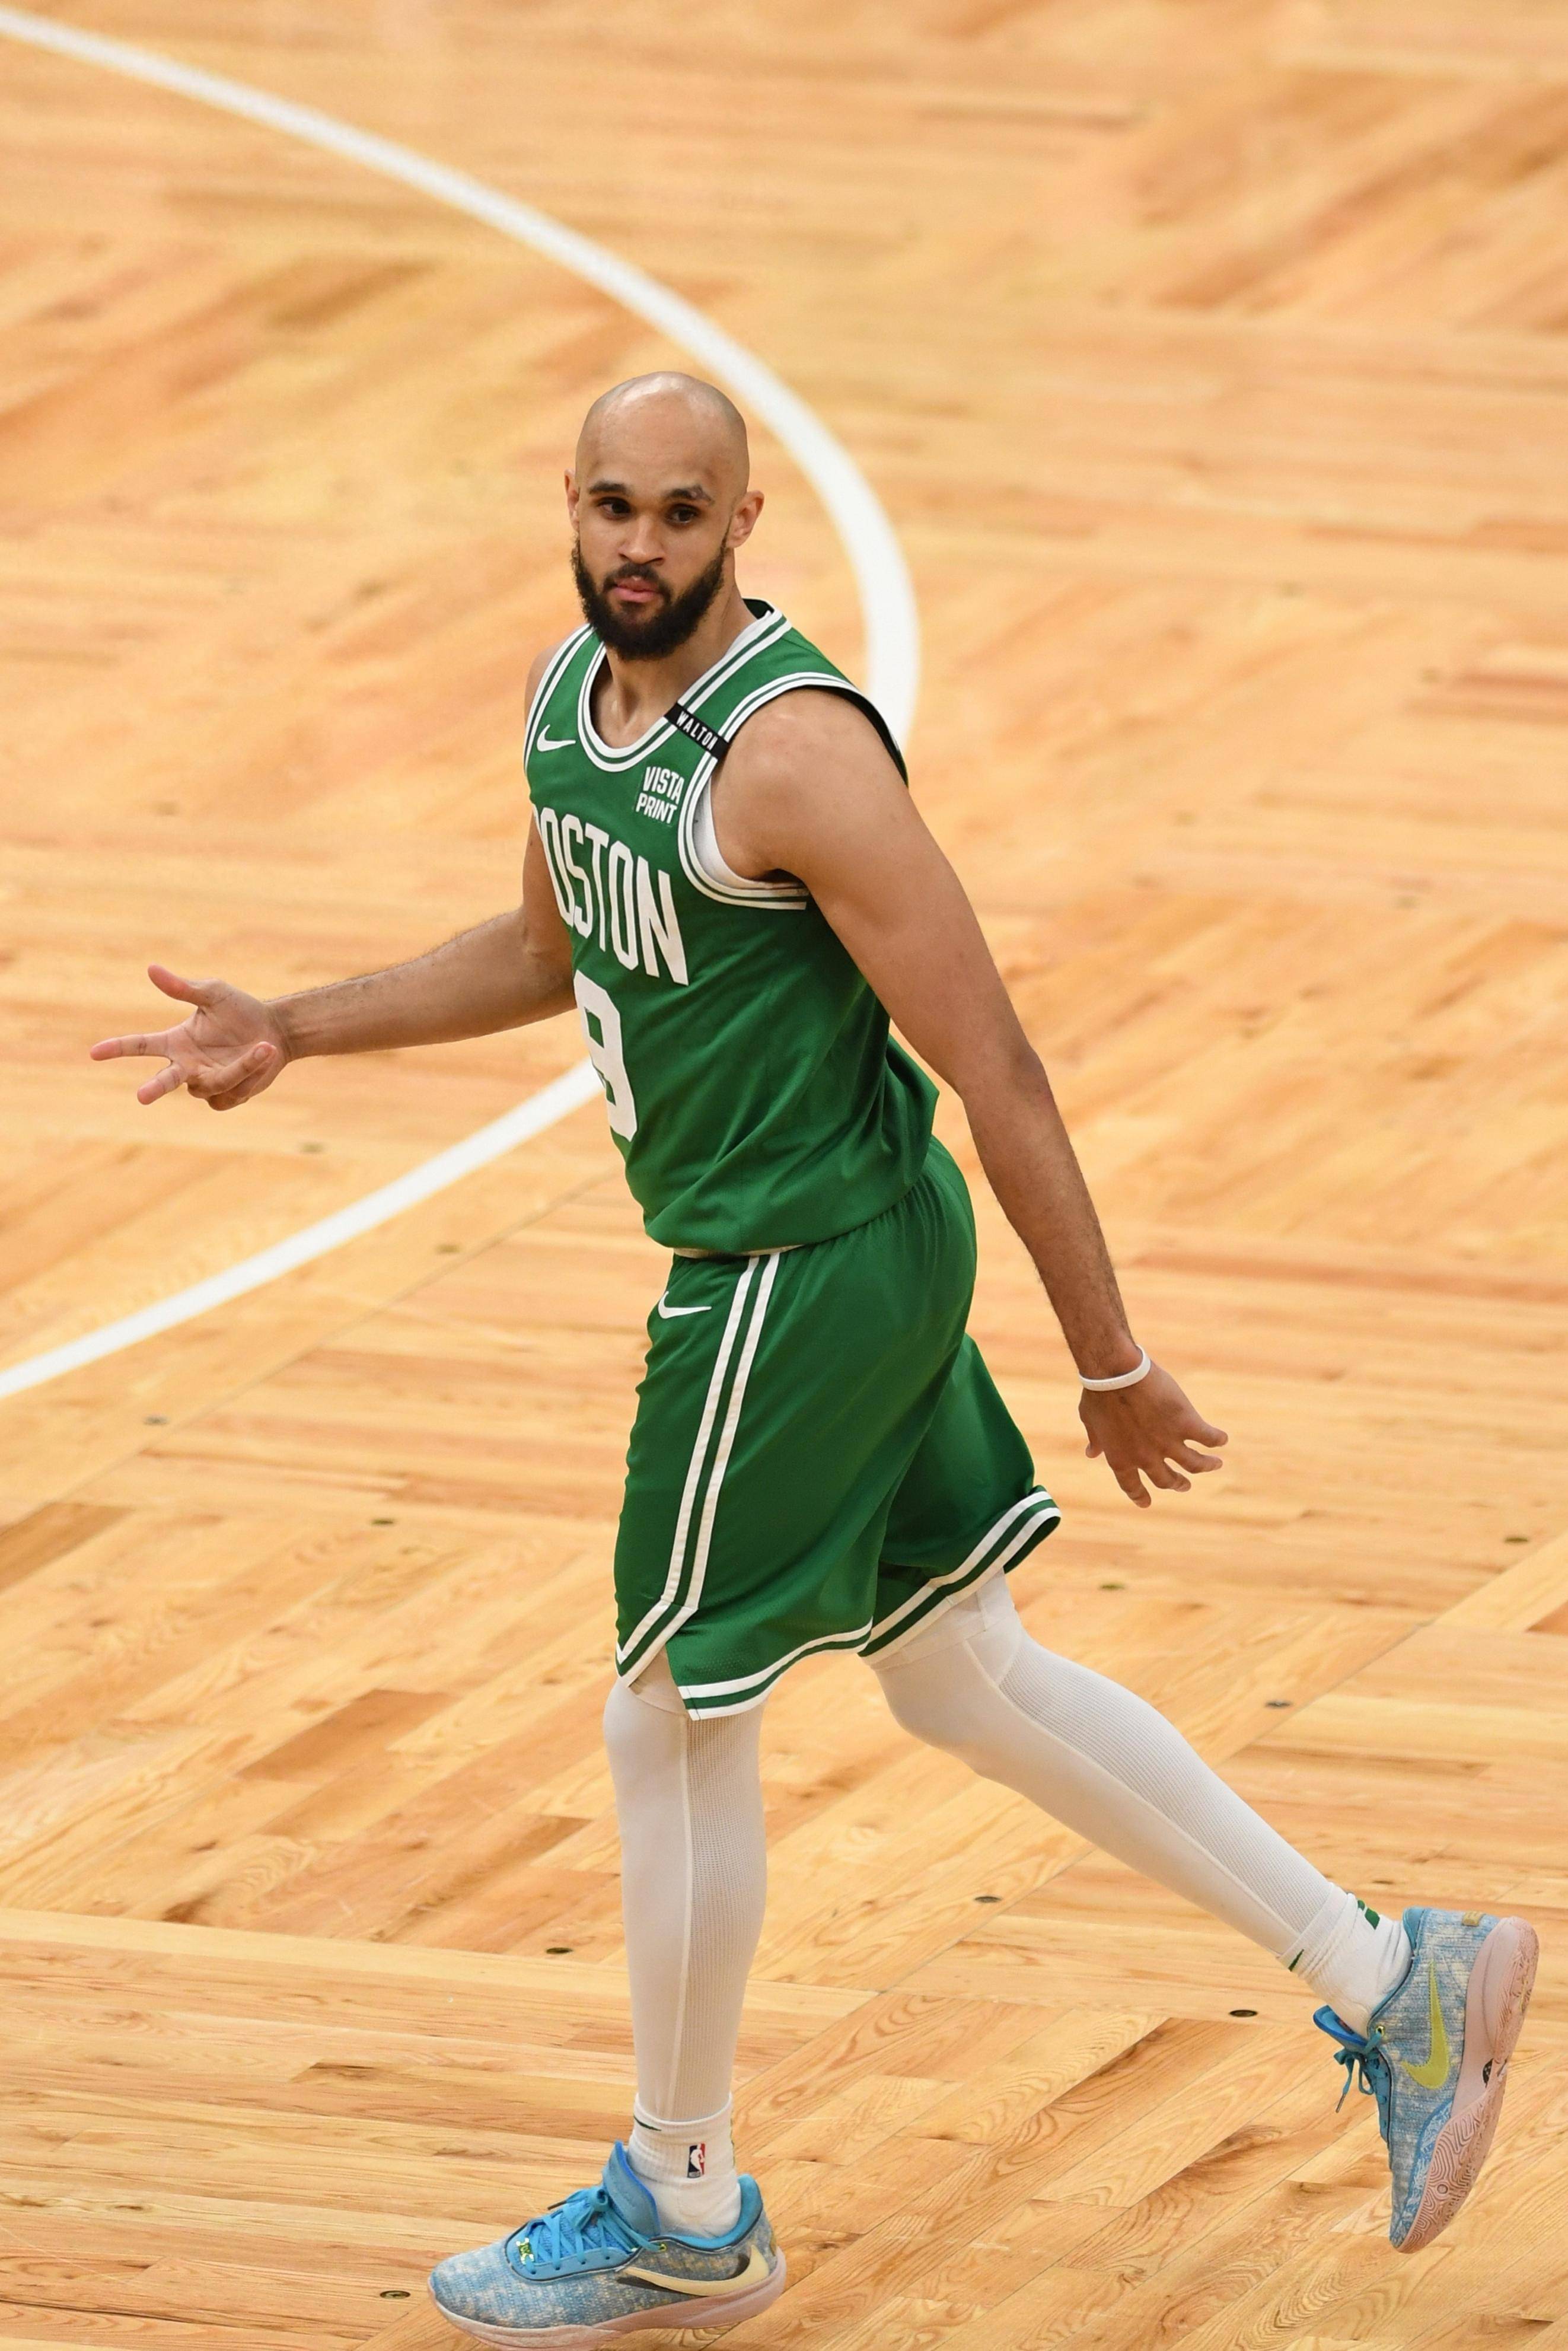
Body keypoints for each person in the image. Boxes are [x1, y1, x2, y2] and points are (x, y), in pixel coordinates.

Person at [93, 373, 1535, 2341]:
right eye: (612, 505)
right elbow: (549, 952)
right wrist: (298, 1024)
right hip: (828, 1251)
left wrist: (1110, 1354)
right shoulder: (569, 704)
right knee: (962, 1674)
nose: (639, 546)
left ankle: (683, 2200)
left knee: (664, 1717)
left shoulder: (792, 759)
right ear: (568, 501)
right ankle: (1395, 1977)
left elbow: (994, 1059)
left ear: (743, 524)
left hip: (796, 1270)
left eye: (680, 513)